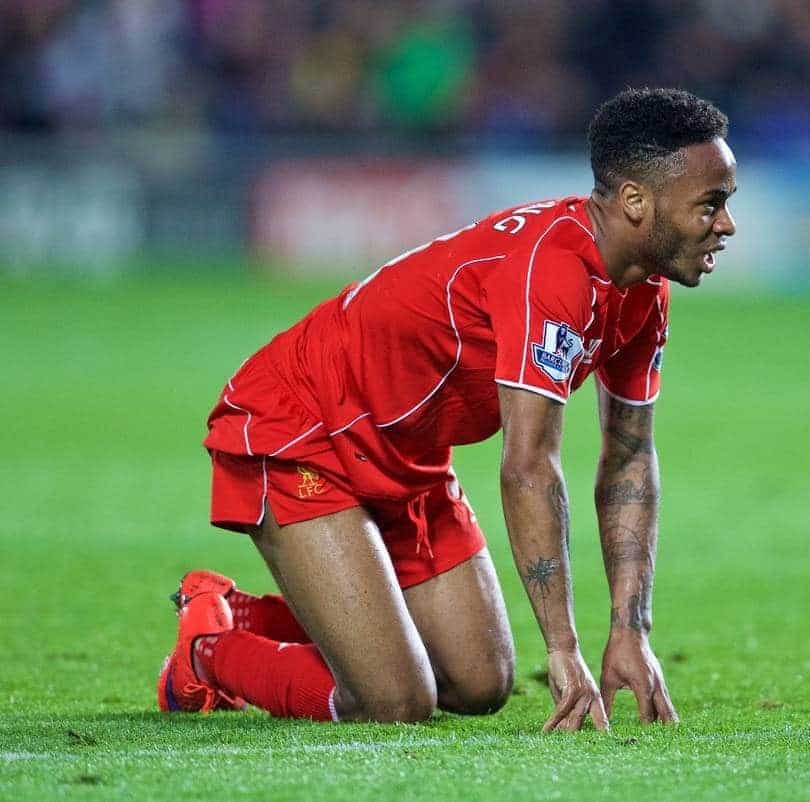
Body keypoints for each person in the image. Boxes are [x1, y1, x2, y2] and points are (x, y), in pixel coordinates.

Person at [158, 87, 737, 732]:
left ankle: (241, 612)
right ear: (635, 201)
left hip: (406, 454)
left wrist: (630, 630)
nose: (726, 223)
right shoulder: (551, 273)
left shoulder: (643, 293)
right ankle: (207, 655)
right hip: (300, 427)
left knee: (478, 682)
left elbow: (629, 458)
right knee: (394, 703)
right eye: (711, 204)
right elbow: (528, 468)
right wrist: (564, 648)